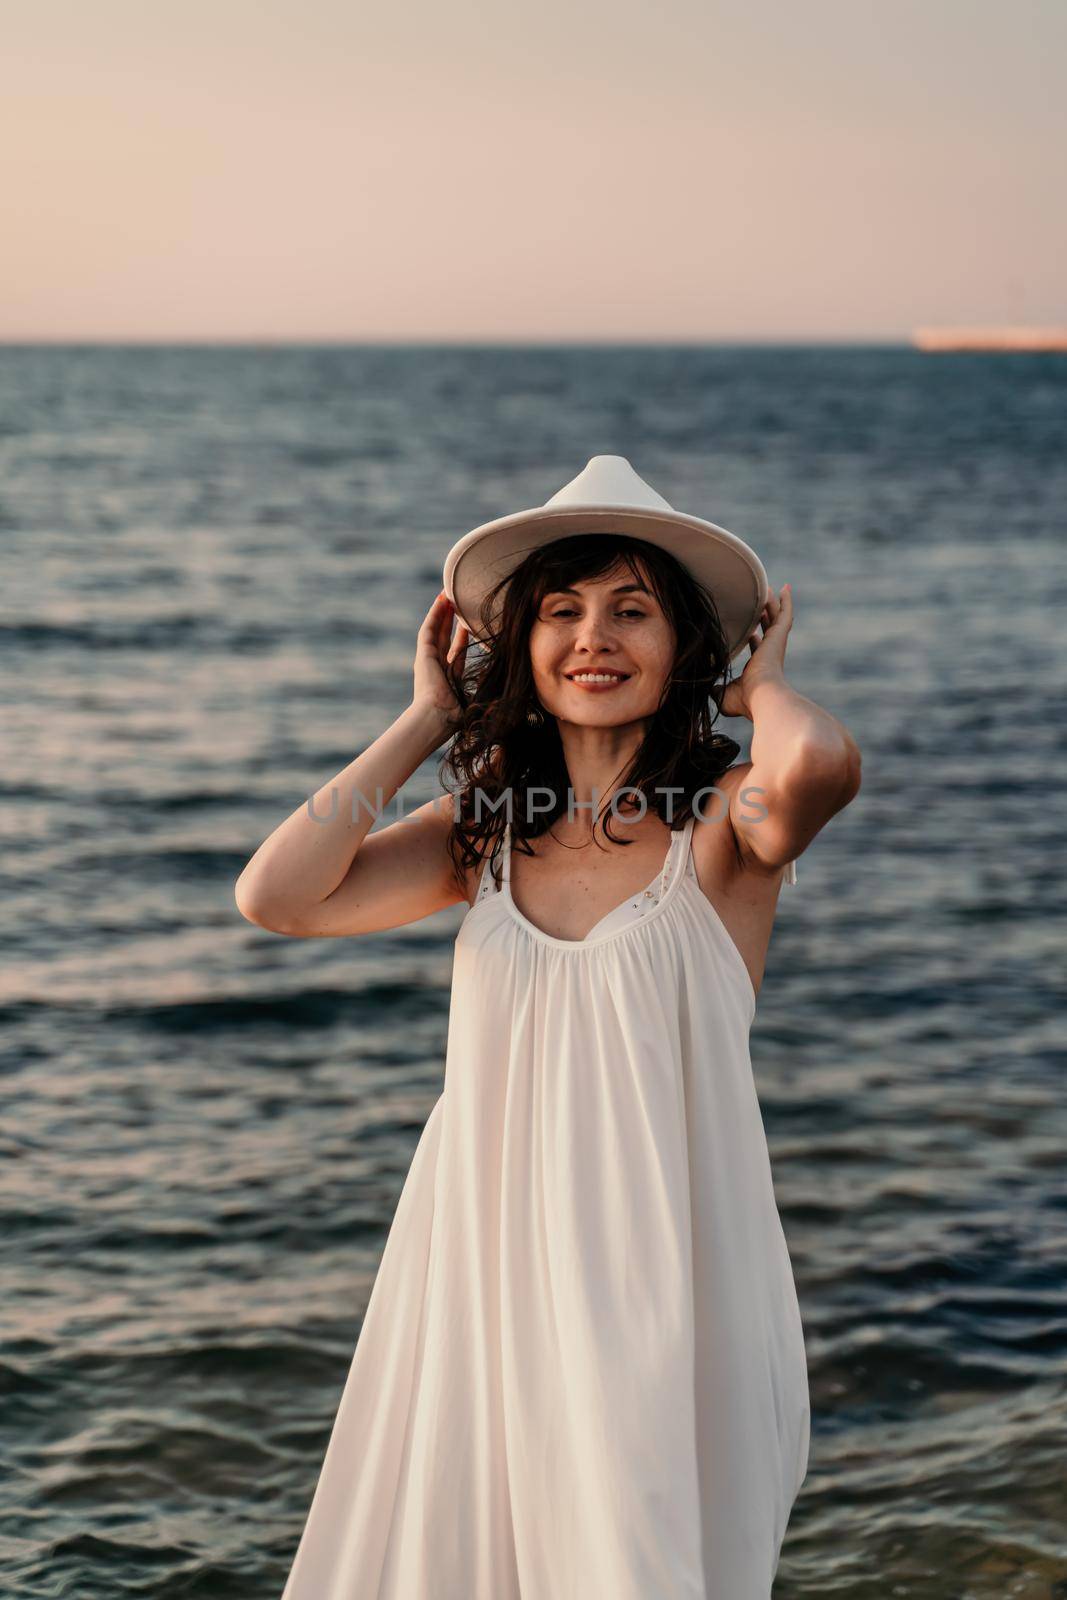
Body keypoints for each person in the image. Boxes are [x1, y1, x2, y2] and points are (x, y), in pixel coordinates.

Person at [235, 458, 862, 1600]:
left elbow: (819, 763)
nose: (594, 637)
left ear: (681, 647)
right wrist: (426, 717)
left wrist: (755, 691)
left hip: (664, 1282)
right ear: (519, 643)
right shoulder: (479, 833)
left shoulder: (719, 830)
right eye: (563, 612)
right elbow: (276, 896)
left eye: (632, 611)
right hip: (483, 1275)